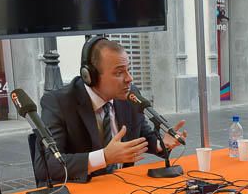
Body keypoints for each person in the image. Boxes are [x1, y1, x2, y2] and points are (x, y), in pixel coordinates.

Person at [35, 37, 186, 183]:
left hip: (121, 187)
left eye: (129, 70)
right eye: (119, 73)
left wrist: (162, 144)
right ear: (90, 76)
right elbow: (46, 165)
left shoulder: (129, 95)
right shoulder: (58, 103)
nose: (129, 78)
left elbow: (143, 136)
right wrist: (104, 157)